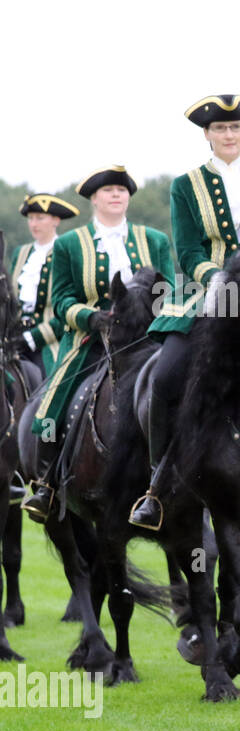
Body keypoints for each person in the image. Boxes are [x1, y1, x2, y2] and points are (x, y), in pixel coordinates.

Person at [128, 94, 240, 530]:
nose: (228, 135)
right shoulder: (185, 185)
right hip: (213, 294)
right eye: (220, 129)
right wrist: (218, 277)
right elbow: (188, 249)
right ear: (207, 135)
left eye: (235, 128)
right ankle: (159, 482)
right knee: (167, 374)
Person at [23, 167, 174, 522]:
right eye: (108, 191)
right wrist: (91, 317)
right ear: (93, 198)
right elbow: (60, 300)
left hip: (149, 342)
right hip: (89, 342)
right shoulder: (68, 244)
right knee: (51, 406)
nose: (116, 195)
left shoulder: (154, 240)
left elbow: (171, 289)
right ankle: (47, 483)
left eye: (122, 190)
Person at [10, 193, 80, 377]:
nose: (34, 224)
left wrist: (33, 338)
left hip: (50, 343)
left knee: (49, 388)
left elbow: (66, 308)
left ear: (56, 220)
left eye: (40, 218)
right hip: (14, 339)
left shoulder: (66, 252)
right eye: (31, 218)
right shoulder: (21, 253)